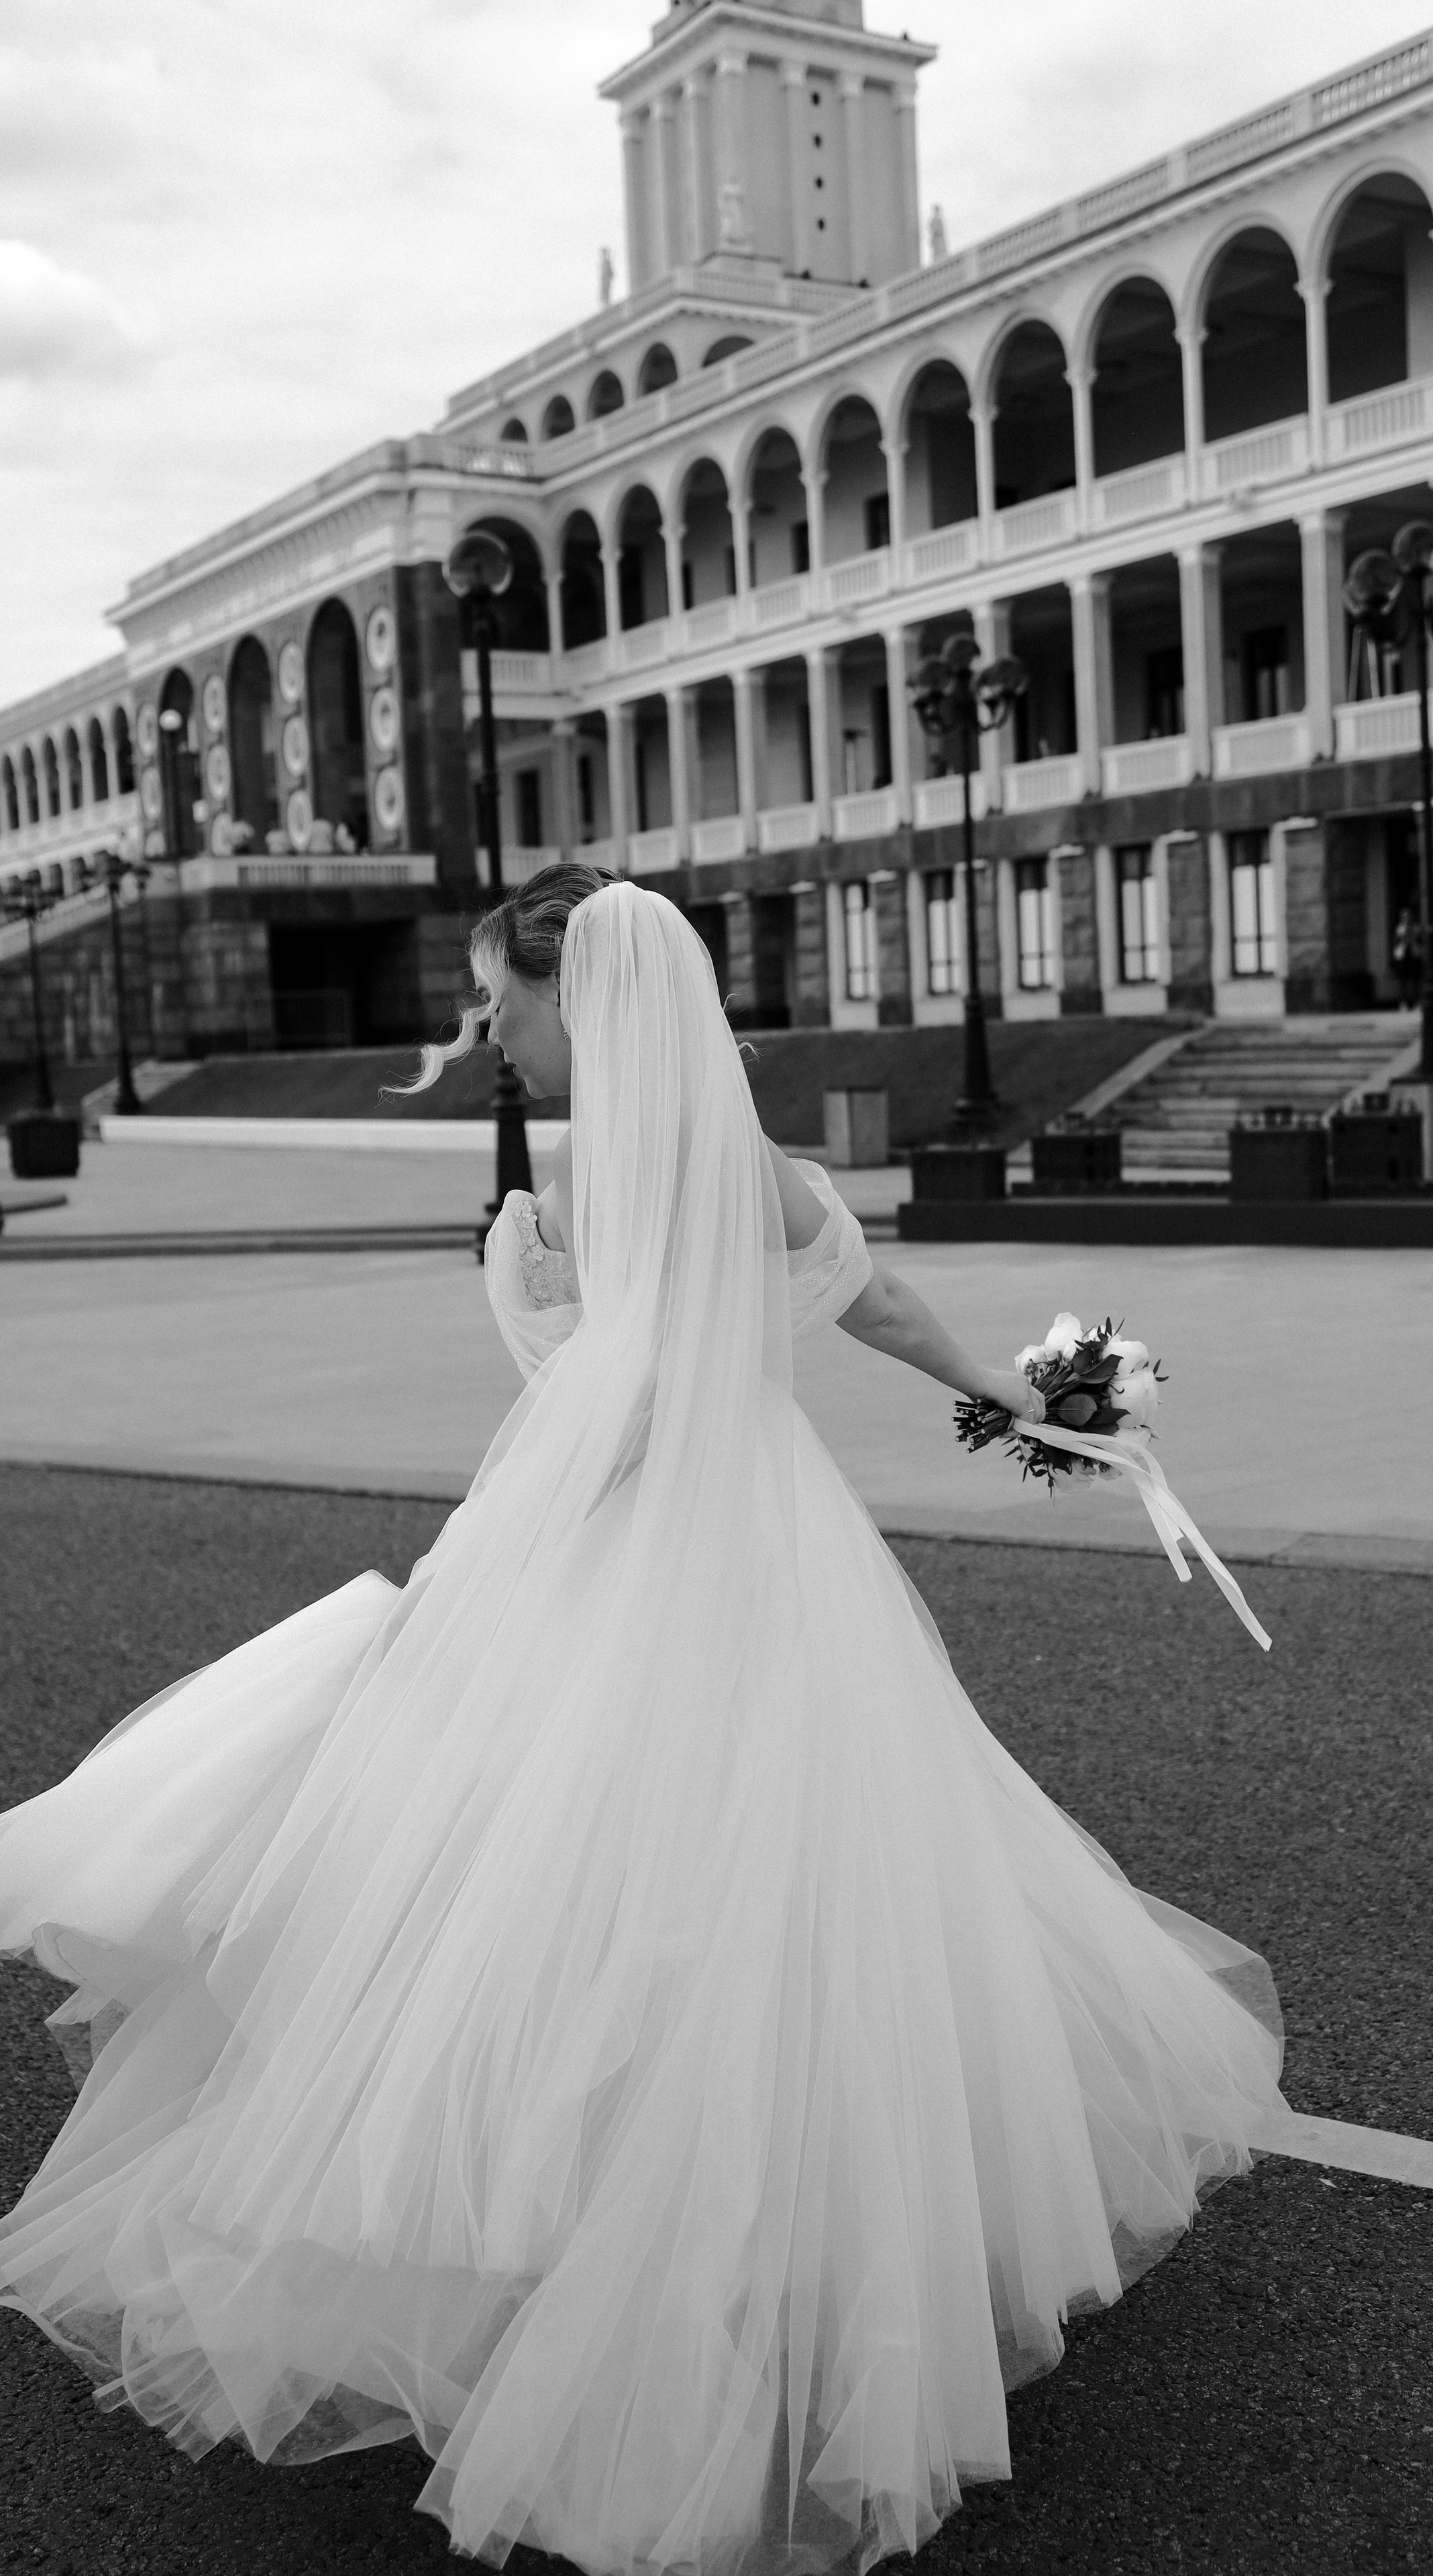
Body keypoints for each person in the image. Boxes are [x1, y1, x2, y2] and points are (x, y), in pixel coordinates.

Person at [0, 865, 1285, 2573]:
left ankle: (594, 2276)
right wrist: (1062, 1409)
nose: (491, 1034)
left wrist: (468, 1556)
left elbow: (619, 1410)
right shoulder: (766, 1171)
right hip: (777, 1549)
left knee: (564, 1904)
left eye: (501, 1002)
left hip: (634, 1553)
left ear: (581, 996)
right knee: (806, 1892)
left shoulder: (612, 1182)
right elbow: (877, 1312)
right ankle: (800, 2250)